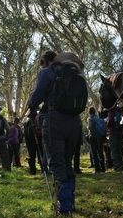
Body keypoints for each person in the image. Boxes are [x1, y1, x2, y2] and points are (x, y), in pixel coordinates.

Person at [28, 52, 87, 215]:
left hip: (54, 120)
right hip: (75, 121)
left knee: (56, 163)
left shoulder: (47, 71)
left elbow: (37, 95)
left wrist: (30, 104)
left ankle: (65, 207)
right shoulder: (75, 71)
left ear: (45, 61)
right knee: (67, 162)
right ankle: (70, 201)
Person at [107, 106, 123, 171]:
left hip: (113, 133)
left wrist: (107, 125)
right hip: (121, 133)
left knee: (114, 150)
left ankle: (117, 166)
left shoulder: (111, 111)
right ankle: (121, 165)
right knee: (119, 150)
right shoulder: (120, 110)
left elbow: (110, 121)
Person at [87, 107, 106, 173]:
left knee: (94, 153)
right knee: (100, 152)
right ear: (94, 111)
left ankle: (97, 168)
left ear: (89, 112)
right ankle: (103, 168)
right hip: (100, 137)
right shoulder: (98, 118)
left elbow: (90, 127)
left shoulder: (90, 119)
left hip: (93, 138)